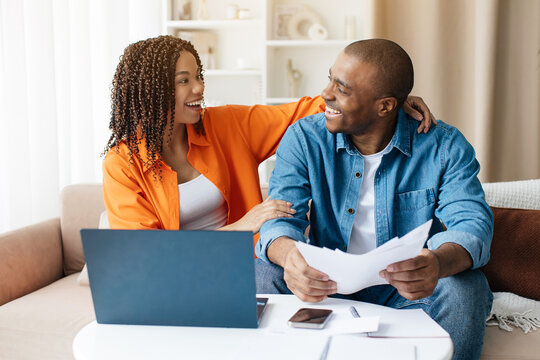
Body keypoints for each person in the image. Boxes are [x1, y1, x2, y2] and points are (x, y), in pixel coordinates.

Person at [255, 39, 493, 360]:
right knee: (262, 271)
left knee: (466, 289)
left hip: (407, 292)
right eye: (330, 79)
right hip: (324, 286)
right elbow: (280, 217)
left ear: (385, 106)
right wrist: (289, 256)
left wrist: (435, 263)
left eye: (342, 88)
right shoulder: (305, 137)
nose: (325, 93)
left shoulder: (444, 146)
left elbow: (472, 225)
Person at [103, 35, 435, 236]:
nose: (200, 87)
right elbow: (146, 252)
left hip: (245, 271)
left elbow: (304, 110)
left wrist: (387, 100)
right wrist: (239, 228)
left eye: (199, 76)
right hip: (174, 281)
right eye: (184, 80)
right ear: (150, 91)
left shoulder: (227, 123)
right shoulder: (122, 163)